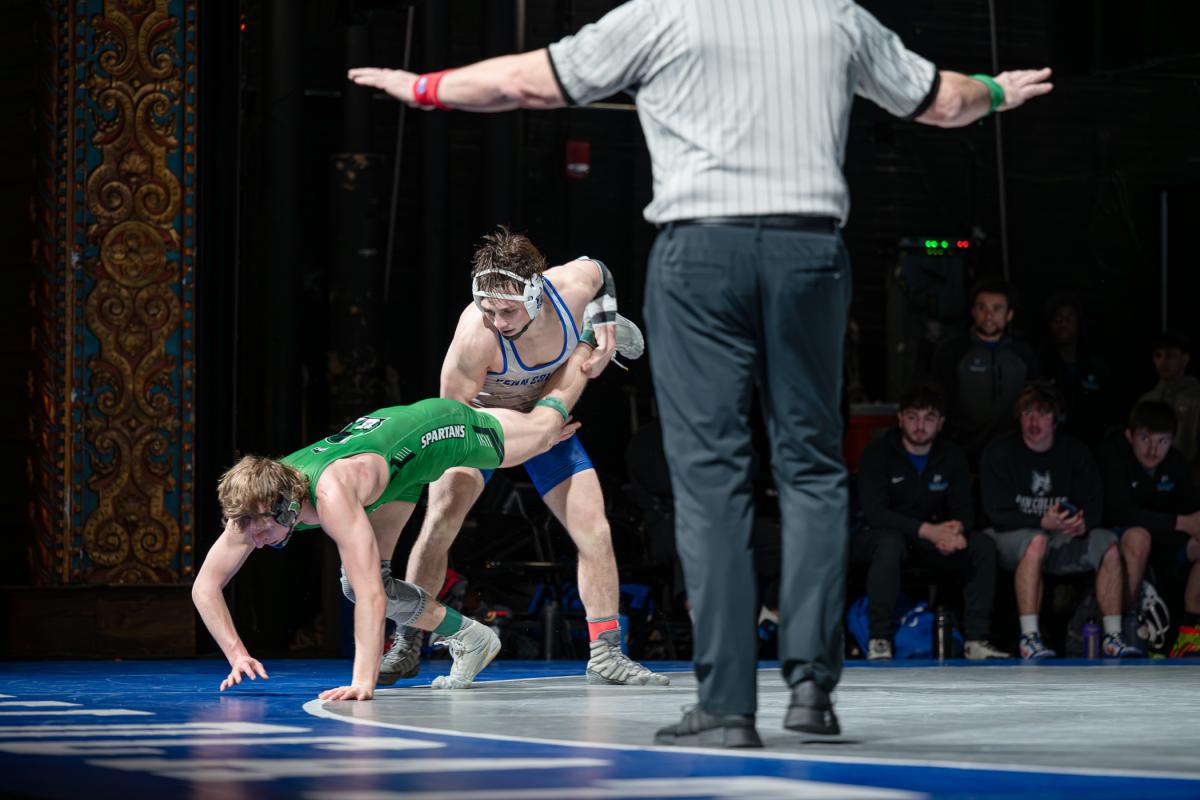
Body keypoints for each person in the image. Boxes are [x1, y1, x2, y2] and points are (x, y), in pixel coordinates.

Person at [349, 1, 1053, 747]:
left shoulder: (662, 17)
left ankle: (715, 697)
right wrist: (998, 90)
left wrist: (425, 88)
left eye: (507, 305)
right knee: (810, 470)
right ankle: (811, 689)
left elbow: (529, 82)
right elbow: (945, 101)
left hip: (699, 260)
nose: (498, 316)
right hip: (801, 256)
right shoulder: (836, 16)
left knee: (706, 476)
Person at [191, 349, 591, 701]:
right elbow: (205, 586)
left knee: (544, 432)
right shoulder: (253, 505)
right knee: (361, 582)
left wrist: (362, 682)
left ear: (285, 508)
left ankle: (588, 344)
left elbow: (372, 600)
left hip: (436, 432)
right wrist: (236, 653)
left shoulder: (333, 495)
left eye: (261, 532)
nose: (257, 542)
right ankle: (472, 637)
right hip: (393, 469)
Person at [382, 227, 667, 687]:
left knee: (594, 527)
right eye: (488, 308)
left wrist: (606, 322)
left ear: (537, 292)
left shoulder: (571, 287)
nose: (498, 320)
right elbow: (452, 429)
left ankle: (606, 654)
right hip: (481, 429)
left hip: (545, 423)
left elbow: (601, 271)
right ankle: (408, 642)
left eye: (508, 309)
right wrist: (531, 439)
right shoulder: (474, 338)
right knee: (440, 520)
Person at [980, 382, 1142, 660]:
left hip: (1060, 536)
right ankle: (1029, 638)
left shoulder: (1075, 452)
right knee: (1036, 540)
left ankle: (1113, 636)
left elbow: (1095, 506)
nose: (1034, 422)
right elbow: (996, 513)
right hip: (1010, 536)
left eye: (1042, 414)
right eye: (1027, 414)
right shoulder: (1000, 451)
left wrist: (1082, 524)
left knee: (1108, 544)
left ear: (1055, 420)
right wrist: (1042, 521)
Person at [851, 385, 1007, 660]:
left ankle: (976, 640)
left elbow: (965, 509)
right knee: (889, 543)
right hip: (885, 538)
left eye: (929, 418)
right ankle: (880, 640)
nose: (920, 426)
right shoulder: (877, 454)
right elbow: (875, 512)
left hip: (934, 541)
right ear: (900, 419)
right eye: (912, 417)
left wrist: (955, 531)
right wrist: (928, 531)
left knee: (981, 545)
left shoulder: (953, 455)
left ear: (941, 423)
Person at [1098, 401, 1200, 655]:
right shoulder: (1114, 456)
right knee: (1139, 537)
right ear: (1129, 435)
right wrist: (1180, 522)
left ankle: (1190, 631)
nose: (1153, 450)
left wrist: (1190, 525)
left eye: (1162, 441)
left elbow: (1192, 514)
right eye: (1145, 439)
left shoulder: (1176, 464)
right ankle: (1127, 625)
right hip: (1122, 540)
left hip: (1167, 542)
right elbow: (1119, 512)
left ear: (1172, 441)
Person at [933, 279, 1038, 465]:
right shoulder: (953, 351)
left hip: (1013, 453)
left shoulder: (1024, 354)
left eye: (997, 308)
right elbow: (937, 402)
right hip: (962, 453)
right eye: (982, 308)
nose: (989, 315)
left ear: (1009, 315)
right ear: (973, 311)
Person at [1037, 293, 1114, 449]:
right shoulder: (1038, 366)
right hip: (1050, 448)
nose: (1063, 323)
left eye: (1069, 318)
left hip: (1090, 449)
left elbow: (1107, 415)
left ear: (1079, 323)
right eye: (1058, 318)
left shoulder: (1097, 368)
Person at [1139, 332, 1200, 464]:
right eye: (1158, 355)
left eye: (1170, 355)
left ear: (1185, 358)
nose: (1163, 361)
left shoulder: (1196, 398)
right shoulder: (1148, 400)